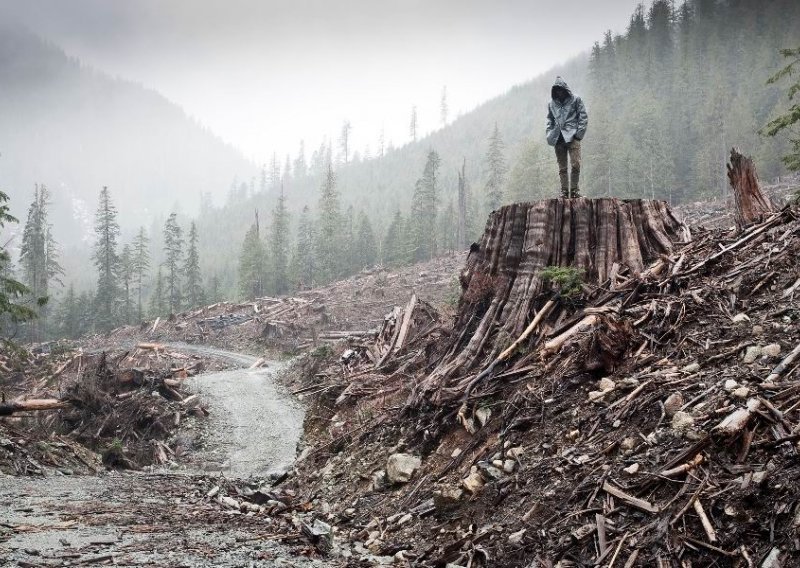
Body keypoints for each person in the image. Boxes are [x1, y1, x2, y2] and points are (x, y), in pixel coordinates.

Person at [546, 77, 588, 199]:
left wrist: (579, 134)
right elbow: (549, 120)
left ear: (565, 89)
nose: (559, 92)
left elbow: (583, 116)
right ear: (554, 90)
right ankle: (564, 192)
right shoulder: (551, 103)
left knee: (576, 164)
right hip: (558, 138)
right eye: (557, 90)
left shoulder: (576, 99)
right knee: (562, 167)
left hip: (573, 136)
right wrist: (550, 134)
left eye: (561, 89)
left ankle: (574, 191)